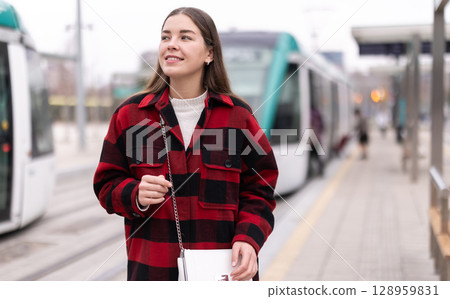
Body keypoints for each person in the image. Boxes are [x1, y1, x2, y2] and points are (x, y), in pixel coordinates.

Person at [93, 7, 278, 281]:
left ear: (209, 53)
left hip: (223, 274)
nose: (171, 44)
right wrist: (135, 194)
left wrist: (249, 238)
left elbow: (260, 190)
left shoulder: (238, 116)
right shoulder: (130, 115)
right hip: (152, 274)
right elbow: (105, 185)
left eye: (185, 37)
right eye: (165, 36)